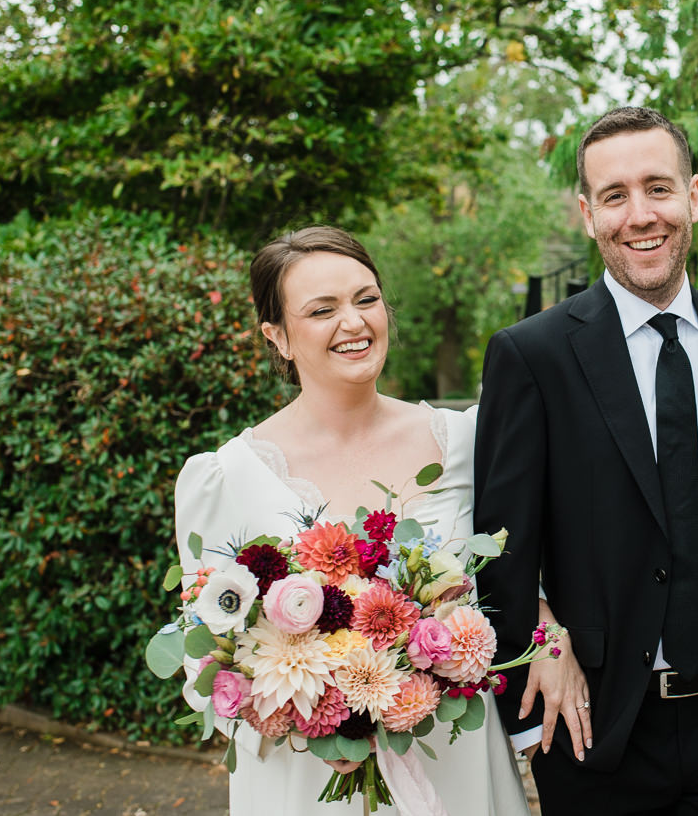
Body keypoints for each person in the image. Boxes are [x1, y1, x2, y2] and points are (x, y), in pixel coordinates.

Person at [474, 106, 698, 814]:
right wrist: (542, 645)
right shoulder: (533, 356)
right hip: (599, 732)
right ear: (587, 214)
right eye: (615, 196)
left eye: (658, 189)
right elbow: (502, 551)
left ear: (693, 197)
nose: (641, 215)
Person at [172, 226, 531, 815]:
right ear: (278, 337)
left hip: (451, 759)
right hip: (305, 777)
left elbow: (523, 580)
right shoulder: (227, 476)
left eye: (366, 299)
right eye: (322, 310)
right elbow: (204, 656)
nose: (354, 322)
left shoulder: (468, 443)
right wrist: (301, 719)